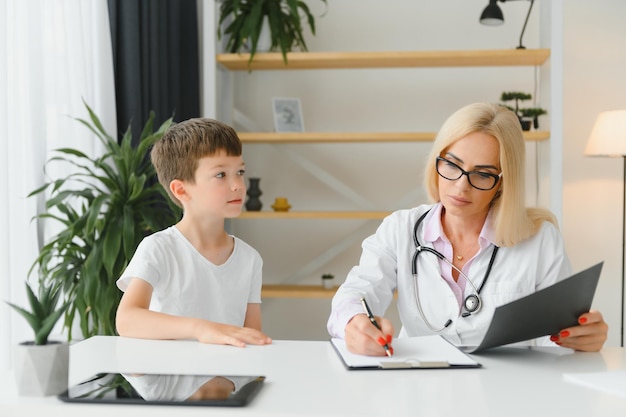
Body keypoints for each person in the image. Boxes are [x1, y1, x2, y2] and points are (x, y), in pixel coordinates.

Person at [327, 102, 608, 355]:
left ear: (503, 182)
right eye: (452, 165)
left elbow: (553, 339)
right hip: (421, 392)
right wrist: (354, 324)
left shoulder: (541, 240)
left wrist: (580, 340)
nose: (461, 186)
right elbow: (355, 293)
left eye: (483, 174)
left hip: (507, 395)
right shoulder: (400, 229)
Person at [116, 118, 272, 348]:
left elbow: (252, 338)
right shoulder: (158, 248)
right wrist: (200, 328)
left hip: (227, 380)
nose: (238, 184)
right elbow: (127, 320)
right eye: (221, 175)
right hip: (169, 377)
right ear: (181, 190)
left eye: (240, 172)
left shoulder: (249, 259)